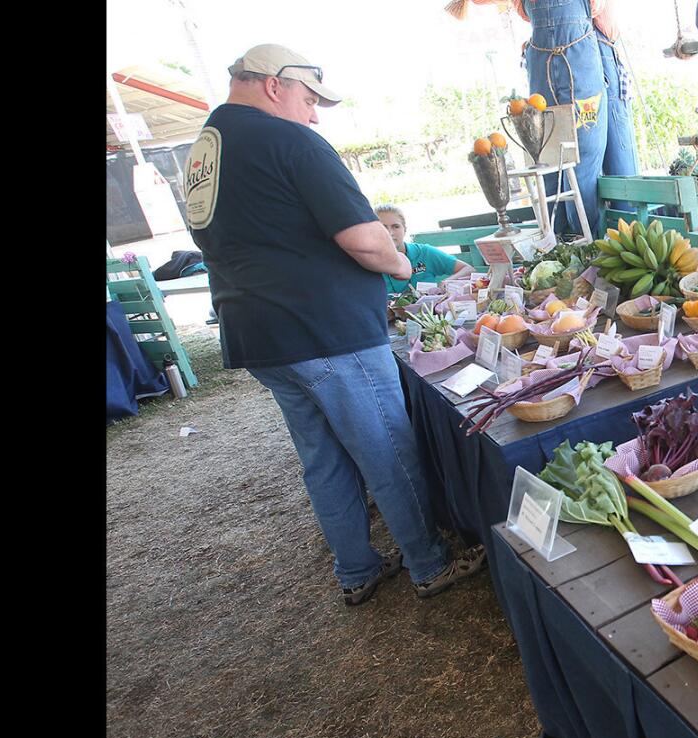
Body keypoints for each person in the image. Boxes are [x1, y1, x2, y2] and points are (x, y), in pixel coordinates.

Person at [182, 44, 479, 606]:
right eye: (310, 98)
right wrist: (403, 264)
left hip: (257, 334)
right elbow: (366, 239)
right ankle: (430, 562)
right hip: (326, 332)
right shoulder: (287, 139)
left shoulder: (206, 151)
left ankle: (356, 568)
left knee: (323, 458)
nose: (315, 114)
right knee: (387, 450)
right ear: (275, 85)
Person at [459, 0, 640, 234]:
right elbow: (598, 11)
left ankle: (578, 238)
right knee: (556, 155)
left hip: (574, 55)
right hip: (570, 54)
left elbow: (595, 12)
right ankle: (577, 241)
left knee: (566, 155)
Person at [373, 204, 478, 294]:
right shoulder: (368, 261)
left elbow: (468, 270)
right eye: (383, 227)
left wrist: (445, 283)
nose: (390, 233)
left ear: (404, 229)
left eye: (396, 226)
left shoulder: (424, 253)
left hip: (429, 314)